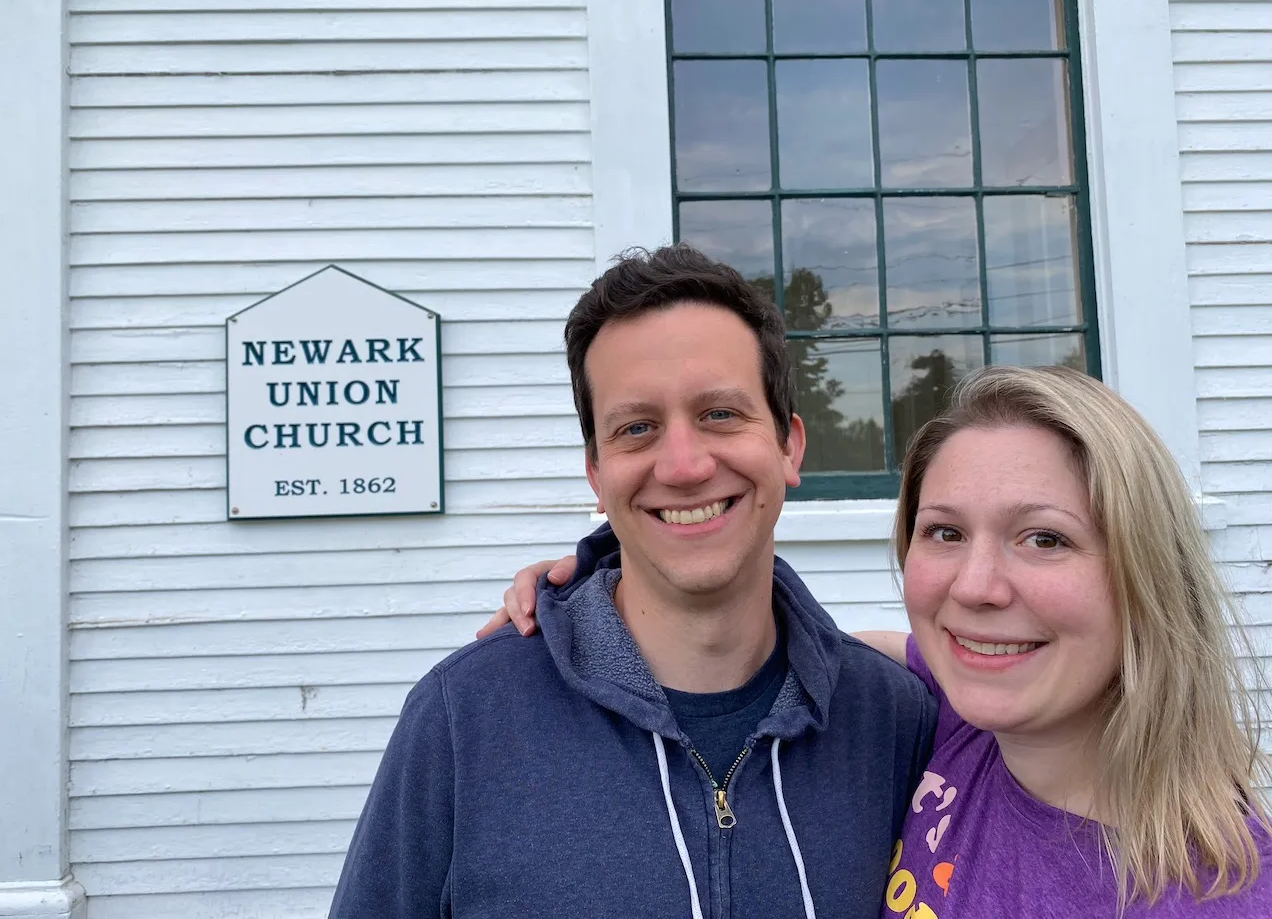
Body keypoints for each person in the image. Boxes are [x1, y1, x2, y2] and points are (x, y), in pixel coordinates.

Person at [489, 365, 1272, 916]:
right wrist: (605, 596)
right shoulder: (959, 714)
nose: (976, 587)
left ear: (1147, 571)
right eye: (945, 533)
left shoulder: (1223, 893)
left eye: (1044, 539)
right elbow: (822, 649)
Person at [329, 244, 937, 919]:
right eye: (637, 428)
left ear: (789, 444)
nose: (682, 466)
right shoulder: (464, 719)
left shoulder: (894, 719)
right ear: (596, 472)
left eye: (720, 414)